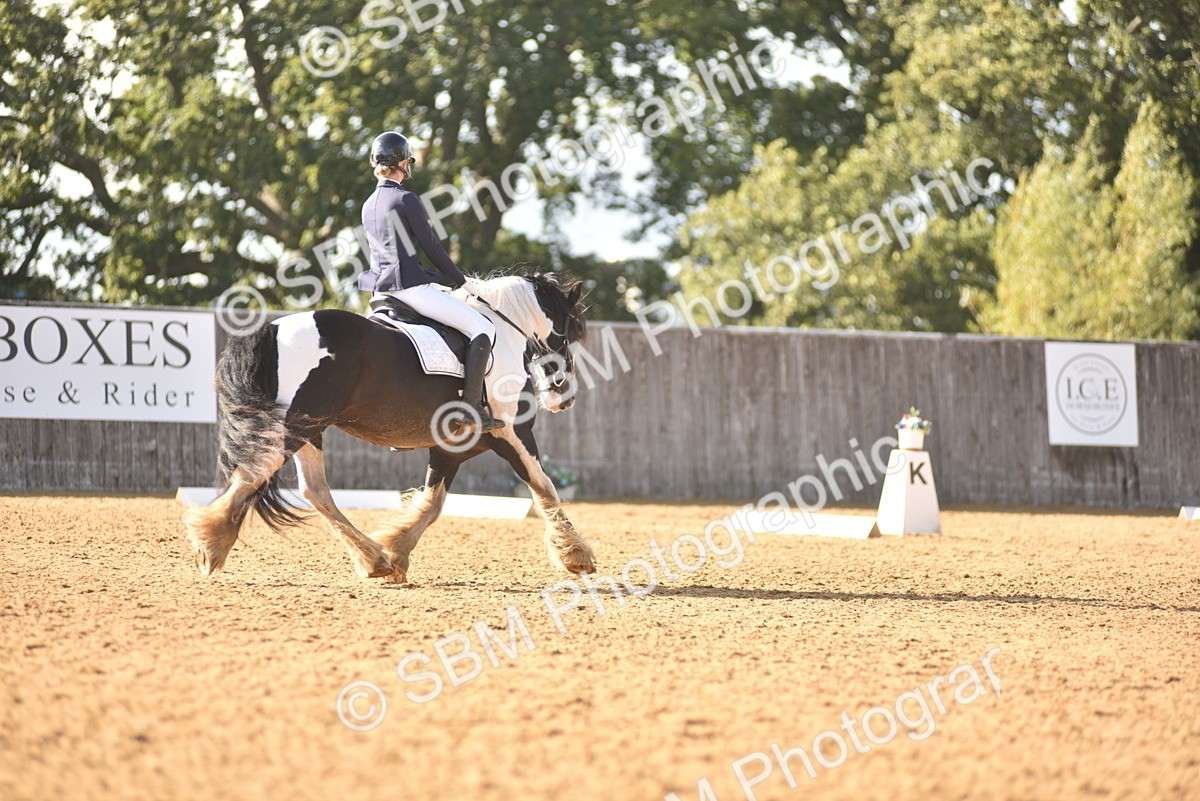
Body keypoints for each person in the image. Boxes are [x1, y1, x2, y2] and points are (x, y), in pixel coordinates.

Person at [359, 131, 503, 433]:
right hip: (409, 289)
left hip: (378, 291)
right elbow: (431, 247)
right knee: (483, 328)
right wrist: (462, 281)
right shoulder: (405, 199)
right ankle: (472, 407)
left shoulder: (369, 203)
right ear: (403, 163)